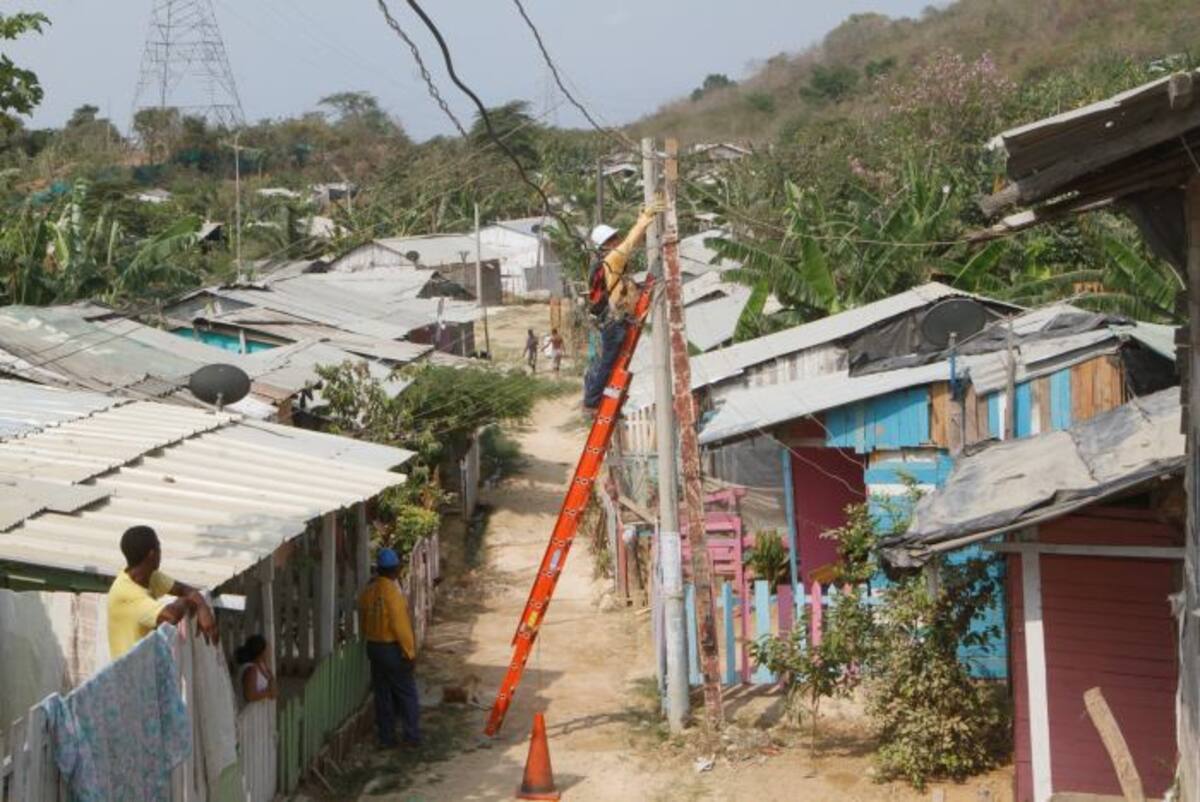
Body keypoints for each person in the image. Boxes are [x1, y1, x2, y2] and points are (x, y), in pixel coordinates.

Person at [582, 199, 665, 411]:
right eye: (615, 237)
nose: (618, 240)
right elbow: (631, 241)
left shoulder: (602, 261)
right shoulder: (614, 257)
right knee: (609, 364)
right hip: (614, 322)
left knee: (608, 363)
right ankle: (592, 400)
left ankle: (598, 397)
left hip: (610, 320)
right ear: (608, 242)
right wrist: (646, 217)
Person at [107, 525, 219, 659]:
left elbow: (184, 589)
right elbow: (171, 616)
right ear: (152, 554)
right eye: (159, 547)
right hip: (129, 674)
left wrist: (202, 606)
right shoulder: (127, 592)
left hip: (145, 665)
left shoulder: (151, 576)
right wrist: (186, 601)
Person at [358, 547, 420, 748]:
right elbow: (400, 626)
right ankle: (411, 735)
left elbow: (364, 619)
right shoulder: (392, 593)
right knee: (406, 692)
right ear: (395, 569)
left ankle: (387, 738)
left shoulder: (369, 592)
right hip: (391, 649)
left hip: (374, 648)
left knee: (382, 694)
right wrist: (409, 652)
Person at [235, 634, 277, 705]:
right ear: (261, 652)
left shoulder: (261, 666)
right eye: (267, 649)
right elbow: (250, 696)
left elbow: (272, 683)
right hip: (249, 713)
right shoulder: (251, 670)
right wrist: (268, 693)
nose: (269, 651)